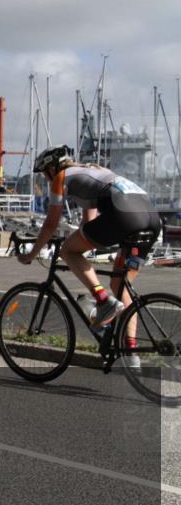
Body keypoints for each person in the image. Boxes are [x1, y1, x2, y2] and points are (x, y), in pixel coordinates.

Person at [18, 145, 162, 361]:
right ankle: (130, 353)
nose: (46, 179)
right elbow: (88, 224)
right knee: (120, 286)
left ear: (51, 168)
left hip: (124, 216)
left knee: (67, 251)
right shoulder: (94, 172)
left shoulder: (61, 177)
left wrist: (31, 254)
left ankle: (102, 301)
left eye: (44, 174)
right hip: (151, 218)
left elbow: (50, 224)